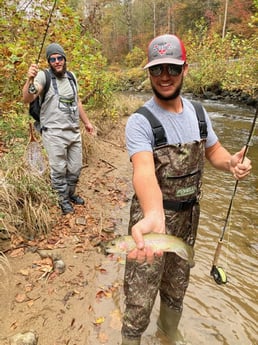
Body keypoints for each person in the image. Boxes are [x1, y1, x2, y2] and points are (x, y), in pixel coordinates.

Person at [121, 34, 252, 345]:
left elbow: (214, 152)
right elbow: (143, 171)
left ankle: (169, 335)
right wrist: (154, 213)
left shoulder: (199, 113)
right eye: (157, 70)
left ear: (184, 69)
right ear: (148, 73)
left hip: (188, 221)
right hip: (152, 226)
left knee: (176, 288)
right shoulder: (140, 122)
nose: (165, 77)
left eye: (172, 68)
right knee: (139, 298)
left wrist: (230, 163)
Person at [22, 43, 94, 215]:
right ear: (49, 62)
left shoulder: (71, 77)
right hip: (53, 134)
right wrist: (29, 79)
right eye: (52, 59)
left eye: (59, 58)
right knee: (58, 169)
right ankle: (62, 200)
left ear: (64, 59)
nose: (57, 61)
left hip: (73, 131)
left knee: (75, 168)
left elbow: (77, 102)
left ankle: (70, 194)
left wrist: (87, 123)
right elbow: (27, 97)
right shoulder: (42, 76)